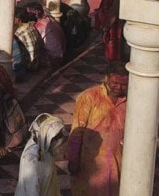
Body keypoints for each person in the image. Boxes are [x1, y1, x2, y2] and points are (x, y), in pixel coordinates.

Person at [67, 61, 128, 195]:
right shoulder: (89, 97)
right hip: (91, 164)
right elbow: (77, 132)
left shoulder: (130, 100)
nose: (119, 87)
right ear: (106, 79)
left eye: (123, 84)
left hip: (117, 163)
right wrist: (73, 160)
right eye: (115, 83)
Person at [15, 113, 67, 196]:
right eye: (58, 145)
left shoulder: (46, 148)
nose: (61, 148)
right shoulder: (30, 160)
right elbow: (31, 191)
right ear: (48, 139)